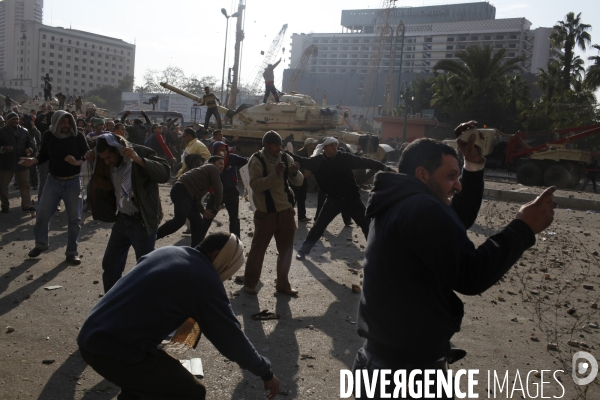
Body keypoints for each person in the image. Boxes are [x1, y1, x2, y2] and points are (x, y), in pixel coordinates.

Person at [352, 125, 557, 398]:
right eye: (450, 176)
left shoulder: (397, 199)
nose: (457, 185)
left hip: (380, 360)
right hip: (406, 372)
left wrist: (473, 163)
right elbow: (471, 274)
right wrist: (523, 228)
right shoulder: (421, 208)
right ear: (422, 174)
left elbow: (455, 220)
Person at [77, 232, 280, 400]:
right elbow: (230, 337)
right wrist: (265, 371)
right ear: (217, 255)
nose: (222, 278)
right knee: (191, 391)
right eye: (227, 268)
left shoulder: (169, 252)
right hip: (113, 350)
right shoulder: (203, 279)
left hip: (92, 334)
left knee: (143, 386)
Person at [87, 134, 171, 293]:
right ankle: (111, 303)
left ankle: (146, 307)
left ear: (117, 150)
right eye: (103, 158)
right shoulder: (105, 162)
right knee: (110, 265)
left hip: (142, 221)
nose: (107, 162)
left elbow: (165, 173)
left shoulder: (139, 152)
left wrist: (139, 160)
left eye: (109, 157)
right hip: (122, 220)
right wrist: (89, 157)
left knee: (145, 269)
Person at [287, 137, 393, 260]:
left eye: (335, 145)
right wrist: (284, 152)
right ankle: (303, 251)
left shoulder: (344, 157)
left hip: (352, 199)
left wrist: (386, 168)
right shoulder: (318, 161)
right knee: (319, 226)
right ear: (325, 148)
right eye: (331, 145)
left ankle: (376, 253)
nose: (334, 147)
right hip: (333, 200)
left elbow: (364, 161)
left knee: (366, 225)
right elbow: (301, 160)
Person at [19, 110, 90, 265]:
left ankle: (72, 252)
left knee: (74, 219)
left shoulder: (77, 136)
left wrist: (77, 162)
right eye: (62, 122)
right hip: (53, 181)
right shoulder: (49, 135)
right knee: (42, 214)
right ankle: (41, 244)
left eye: (68, 122)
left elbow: (87, 155)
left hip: (73, 182)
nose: (66, 125)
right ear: (56, 122)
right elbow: (43, 154)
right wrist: (33, 160)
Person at [243, 131, 303, 296]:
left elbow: (298, 181)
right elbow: (255, 185)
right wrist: (275, 174)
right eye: (275, 145)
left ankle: (282, 284)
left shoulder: (285, 157)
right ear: (266, 146)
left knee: (286, 250)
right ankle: (250, 284)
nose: (279, 148)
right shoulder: (256, 160)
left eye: (280, 144)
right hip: (266, 213)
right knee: (258, 250)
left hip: (285, 211)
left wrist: (294, 172)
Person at [157, 156, 224, 247]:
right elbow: (218, 188)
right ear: (212, 163)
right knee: (179, 220)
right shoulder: (212, 168)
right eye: (220, 163)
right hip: (181, 190)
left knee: (197, 222)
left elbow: (196, 199)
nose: (222, 166)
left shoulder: (204, 178)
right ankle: (152, 237)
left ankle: (196, 250)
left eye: (223, 164)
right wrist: (218, 204)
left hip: (186, 194)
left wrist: (203, 211)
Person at [199, 140, 248, 238]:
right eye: (221, 150)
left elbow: (247, 161)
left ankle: (236, 242)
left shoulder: (232, 158)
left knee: (234, 219)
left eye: (225, 149)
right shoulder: (211, 163)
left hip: (231, 193)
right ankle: (198, 240)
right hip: (215, 194)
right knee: (208, 218)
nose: (224, 152)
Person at [0, 112, 36, 212]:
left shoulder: (24, 131)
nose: (16, 121)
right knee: (3, 186)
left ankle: (26, 206)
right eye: (13, 119)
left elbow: (31, 145)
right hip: (6, 163)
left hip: (22, 162)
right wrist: (4, 148)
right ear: (8, 120)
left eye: (17, 119)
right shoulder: (2, 131)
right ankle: (5, 206)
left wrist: (29, 150)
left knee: (25, 184)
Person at [291, 138, 318, 223]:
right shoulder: (300, 153)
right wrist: (302, 173)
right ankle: (287, 215)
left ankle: (302, 216)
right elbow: (296, 165)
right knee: (294, 198)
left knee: (302, 197)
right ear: (308, 145)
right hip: (298, 178)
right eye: (313, 144)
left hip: (304, 179)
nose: (314, 146)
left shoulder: (311, 153)